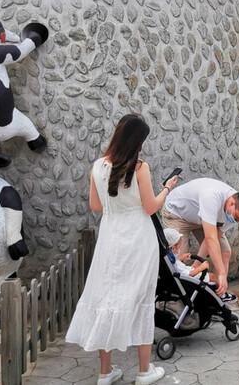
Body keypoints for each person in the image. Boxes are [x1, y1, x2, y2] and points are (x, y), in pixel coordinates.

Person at [65, 113, 178, 385]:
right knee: (140, 300)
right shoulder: (140, 167)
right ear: (137, 141)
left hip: (110, 236)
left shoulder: (97, 166)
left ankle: (106, 372)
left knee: (106, 298)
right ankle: (143, 371)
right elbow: (151, 207)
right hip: (138, 238)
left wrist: (119, 206)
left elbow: (95, 205)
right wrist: (167, 189)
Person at [160, 177, 239, 301]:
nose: (237, 221)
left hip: (201, 218)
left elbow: (212, 239)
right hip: (177, 214)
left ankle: (216, 295)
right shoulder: (211, 196)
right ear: (231, 203)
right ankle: (177, 300)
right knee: (178, 262)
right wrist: (221, 272)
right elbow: (210, 239)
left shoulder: (235, 213)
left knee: (225, 251)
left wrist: (196, 266)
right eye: (237, 218)